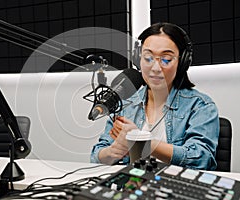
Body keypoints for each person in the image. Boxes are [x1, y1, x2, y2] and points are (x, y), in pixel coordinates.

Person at [90, 22, 219, 170]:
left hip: (175, 188)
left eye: (166, 59)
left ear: (182, 62)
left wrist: (142, 141)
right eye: (148, 58)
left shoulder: (200, 106)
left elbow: (202, 158)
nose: (156, 68)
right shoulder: (125, 103)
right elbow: (96, 156)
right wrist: (112, 152)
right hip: (133, 186)